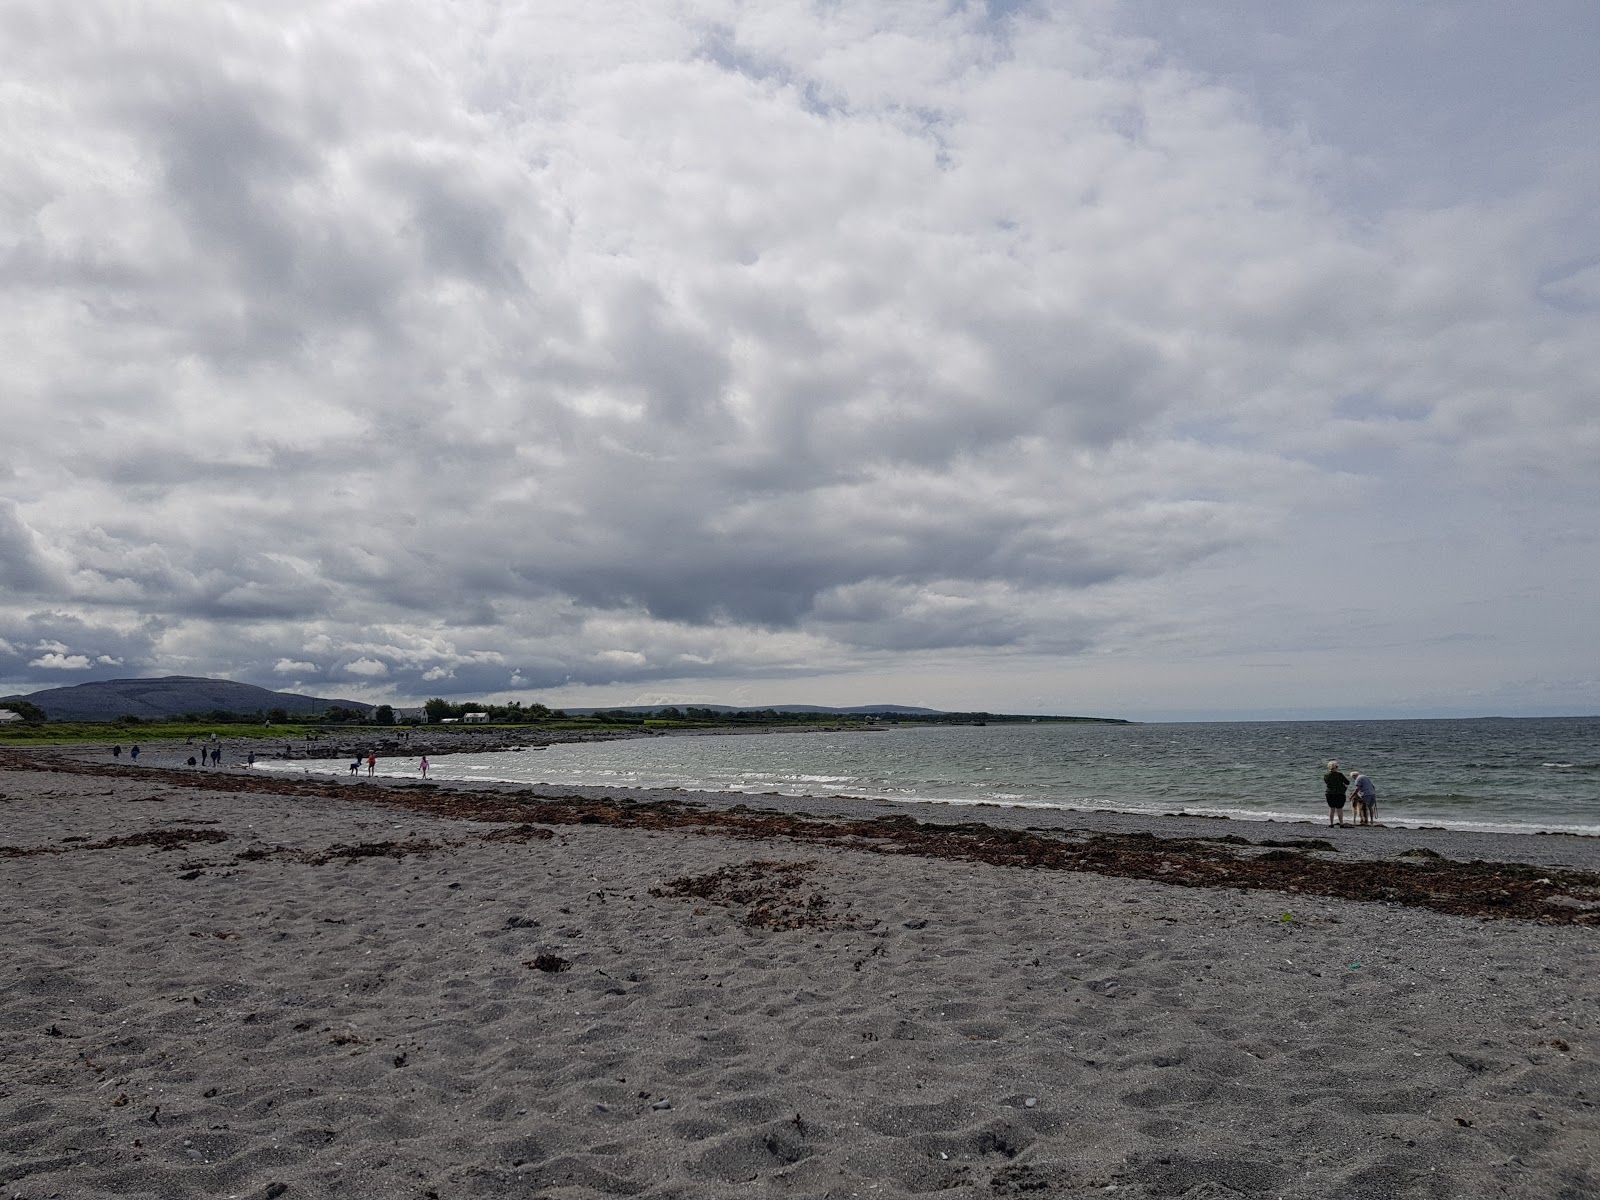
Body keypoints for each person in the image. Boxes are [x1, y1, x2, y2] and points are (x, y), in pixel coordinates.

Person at [1323, 760, 1350, 827]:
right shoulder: (1340, 774)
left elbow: (1327, 783)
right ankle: (1341, 823)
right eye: (1337, 766)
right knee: (1339, 809)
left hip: (1329, 793)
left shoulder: (1326, 775)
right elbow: (1347, 782)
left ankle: (1331, 823)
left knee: (1331, 808)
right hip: (1339, 793)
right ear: (1336, 767)